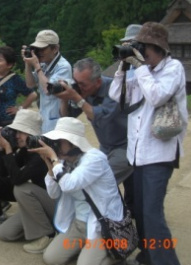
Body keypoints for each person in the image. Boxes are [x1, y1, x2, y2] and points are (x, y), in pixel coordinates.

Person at [109, 22, 187, 265]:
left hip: (159, 154)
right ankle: (147, 256)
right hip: (138, 154)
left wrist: (140, 67)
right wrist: (124, 66)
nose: (143, 55)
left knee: (153, 215)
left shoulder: (173, 68)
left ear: (159, 48)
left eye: (145, 50)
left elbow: (156, 96)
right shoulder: (142, 72)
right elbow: (115, 94)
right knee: (141, 211)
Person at [29, 117, 122, 265]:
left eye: (59, 142)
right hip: (78, 224)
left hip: (102, 226)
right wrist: (49, 164)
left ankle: (114, 254)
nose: (55, 146)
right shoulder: (65, 161)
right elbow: (53, 194)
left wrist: (54, 158)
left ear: (73, 142)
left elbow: (69, 184)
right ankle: (89, 251)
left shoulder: (94, 159)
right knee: (51, 258)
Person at [56, 58, 134, 215]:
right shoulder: (84, 90)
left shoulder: (115, 88)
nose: (78, 87)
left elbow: (100, 116)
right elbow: (66, 117)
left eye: (82, 84)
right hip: (105, 146)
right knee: (114, 185)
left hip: (127, 146)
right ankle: (118, 214)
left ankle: (107, 219)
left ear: (97, 82)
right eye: (76, 82)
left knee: (100, 179)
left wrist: (77, 98)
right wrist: (65, 99)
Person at [0, 110, 55, 253]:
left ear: (32, 133)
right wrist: (2, 150)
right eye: (16, 132)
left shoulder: (41, 152)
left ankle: (46, 234)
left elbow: (16, 180)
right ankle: (43, 226)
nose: (16, 136)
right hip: (41, 205)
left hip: (57, 205)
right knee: (5, 233)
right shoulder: (27, 150)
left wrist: (9, 149)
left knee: (21, 188)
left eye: (20, 132)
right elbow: (4, 173)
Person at [22, 30, 72, 132]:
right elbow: (30, 84)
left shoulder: (63, 67)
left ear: (55, 49)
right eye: (37, 49)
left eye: (42, 49)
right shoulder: (44, 65)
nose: (39, 53)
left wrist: (37, 66)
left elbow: (48, 89)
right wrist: (27, 63)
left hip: (57, 125)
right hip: (44, 122)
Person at [0, 46, 37, 127]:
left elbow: (33, 94)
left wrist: (20, 109)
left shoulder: (15, 79)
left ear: (9, 64)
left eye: (0, 60)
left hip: (6, 123)